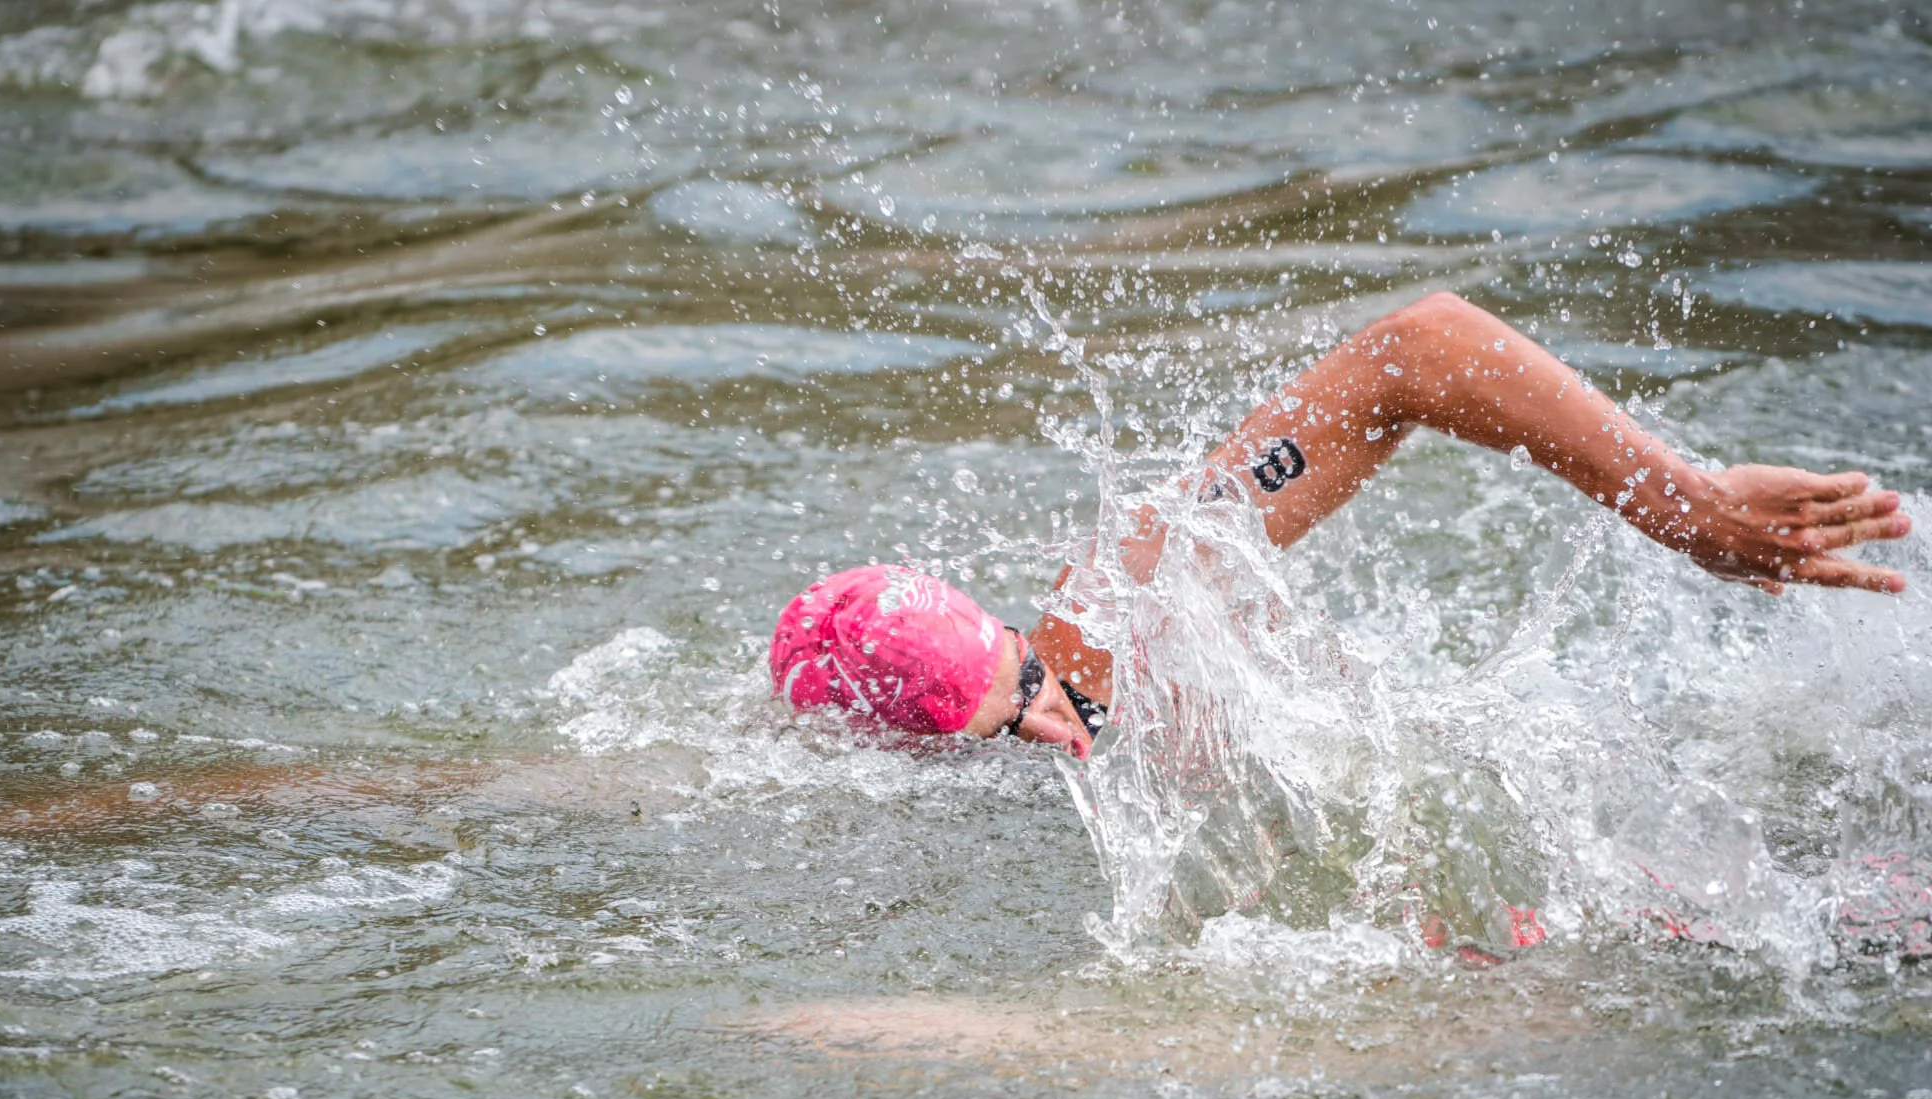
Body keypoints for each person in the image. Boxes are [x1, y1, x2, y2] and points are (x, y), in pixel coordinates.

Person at [769, 291, 1912, 759]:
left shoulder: (1109, 621)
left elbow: (1418, 350)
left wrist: (1682, 504)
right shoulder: (840, 777)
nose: (1057, 726)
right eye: (1006, 721)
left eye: (1031, 686)